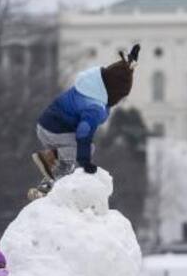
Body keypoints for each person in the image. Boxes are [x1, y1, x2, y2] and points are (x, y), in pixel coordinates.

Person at [31, 44, 140, 196]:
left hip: (47, 125)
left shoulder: (92, 87)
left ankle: (47, 186)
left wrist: (129, 65)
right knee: (86, 149)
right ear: (115, 92)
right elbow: (83, 133)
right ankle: (49, 157)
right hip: (55, 130)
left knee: (68, 162)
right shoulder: (94, 107)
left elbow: (117, 74)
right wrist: (85, 161)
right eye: (121, 96)